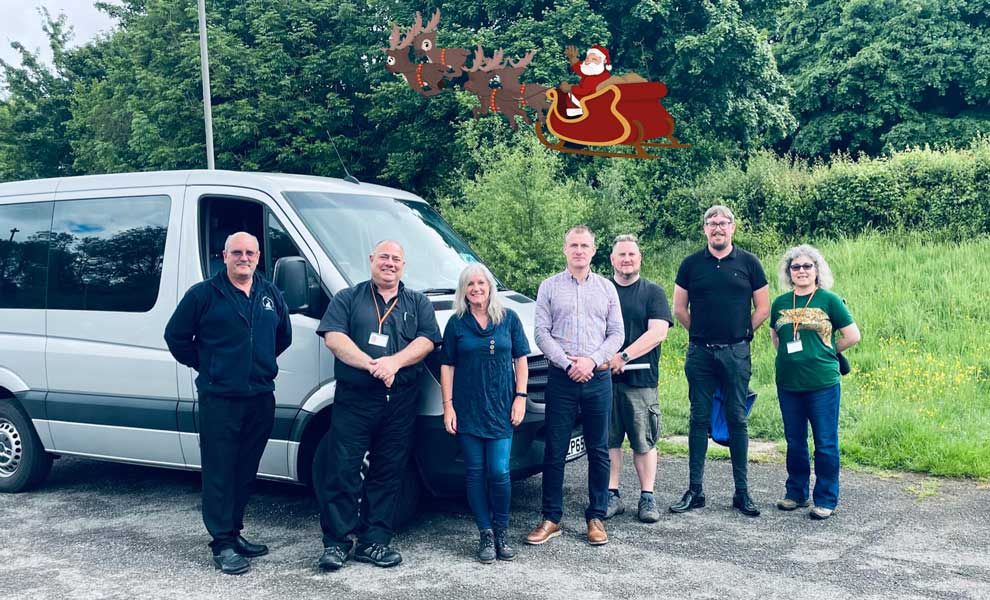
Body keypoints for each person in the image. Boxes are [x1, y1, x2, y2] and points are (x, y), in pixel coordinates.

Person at [164, 232, 292, 575]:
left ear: (259, 256)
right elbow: (175, 337)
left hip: (261, 396)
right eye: (237, 251)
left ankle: (235, 533)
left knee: (245, 470)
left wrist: (258, 364)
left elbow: (284, 337)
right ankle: (221, 543)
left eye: (250, 252)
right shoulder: (203, 295)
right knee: (220, 471)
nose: (244, 257)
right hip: (219, 398)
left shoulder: (270, 294)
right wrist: (209, 364)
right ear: (224, 255)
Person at [314, 240, 441, 571]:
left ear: (403, 265)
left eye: (396, 259)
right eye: (384, 257)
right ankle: (336, 544)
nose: (389, 263)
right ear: (371, 260)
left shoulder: (417, 302)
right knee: (342, 470)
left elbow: (427, 340)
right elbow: (333, 338)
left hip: (400, 402)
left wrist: (394, 363)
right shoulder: (348, 298)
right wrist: (372, 365)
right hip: (355, 400)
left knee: (388, 472)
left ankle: (374, 542)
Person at [526, 225, 624, 546]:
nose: (579, 250)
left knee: (598, 448)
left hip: (597, 378)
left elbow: (617, 334)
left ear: (594, 250)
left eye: (585, 245)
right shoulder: (549, 287)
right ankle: (551, 518)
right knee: (554, 449)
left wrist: (592, 361)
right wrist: (569, 364)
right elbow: (542, 333)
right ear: (565, 249)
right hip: (561, 378)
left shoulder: (607, 289)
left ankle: (596, 516)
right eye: (573, 245)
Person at [670, 206, 770, 517]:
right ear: (704, 230)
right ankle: (695, 490)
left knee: (737, 419)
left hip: (736, 353)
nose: (718, 229)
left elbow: (763, 308)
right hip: (700, 353)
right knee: (698, 419)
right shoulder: (690, 265)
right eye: (712, 224)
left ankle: (742, 493)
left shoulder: (749, 263)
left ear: (733, 228)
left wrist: (739, 334)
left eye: (723, 223)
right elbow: (679, 309)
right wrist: (701, 334)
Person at [440, 264, 530, 563]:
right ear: (463, 290)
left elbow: (521, 361)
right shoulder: (456, 324)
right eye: (470, 284)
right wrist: (448, 406)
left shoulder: (509, 319)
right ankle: (486, 534)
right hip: (467, 409)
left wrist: (520, 398)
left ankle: (502, 530)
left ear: (490, 287)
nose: (476, 288)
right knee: (475, 473)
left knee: (499, 472)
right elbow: (447, 366)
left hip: (502, 408)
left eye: (481, 283)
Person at [770, 245, 861, 520]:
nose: (801, 271)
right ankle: (796, 493)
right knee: (795, 441)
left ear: (817, 270)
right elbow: (777, 339)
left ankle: (825, 498)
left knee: (825, 443)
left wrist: (828, 351)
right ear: (789, 272)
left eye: (807, 266)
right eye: (795, 267)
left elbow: (852, 335)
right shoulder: (780, 303)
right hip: (788, 384)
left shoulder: (829, 300)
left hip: (822, 384)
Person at [603, 234, 673, 523]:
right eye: (621, 255)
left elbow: (658, 333)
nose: (627, 259)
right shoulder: (602, 290)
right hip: (604, 381)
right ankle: (611, 495)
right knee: (609, 441)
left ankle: (647, 497)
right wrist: (605, 359)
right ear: (612, 260)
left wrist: (623, 357)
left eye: (632, 254)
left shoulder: (652, 292)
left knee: (644, 441)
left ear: (639, 258)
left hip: (641, 382)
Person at [559, 45, 613, 116]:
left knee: (567, 96)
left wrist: (570, 88)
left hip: (591, 103)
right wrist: (572, 58)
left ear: (604, 61)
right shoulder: (592, 71)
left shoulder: (602, 76)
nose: (589, 62)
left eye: (594, 59)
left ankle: (577, 115)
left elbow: (585, 91)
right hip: (587, 101)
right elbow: (579, 69)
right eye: (587, 58)